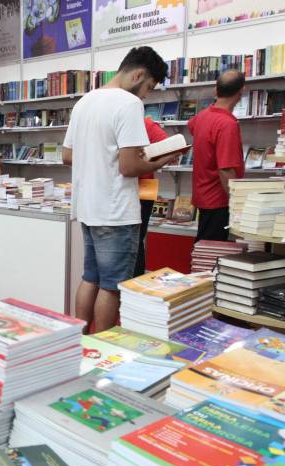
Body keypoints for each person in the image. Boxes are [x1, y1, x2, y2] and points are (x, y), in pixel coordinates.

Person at [62, 46, 180, 333]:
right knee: (113, 286)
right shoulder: (128, 104)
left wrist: (99, 159)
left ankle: (81, 343)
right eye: (148, 87)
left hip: (88, 208)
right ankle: (101, 348)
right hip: (116, 211)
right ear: (138, 74)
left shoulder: (85, 102)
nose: (145, 95)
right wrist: (163, 158)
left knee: (90, 277)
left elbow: (67, 156)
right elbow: (129, 166)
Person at [188, 70, 246, 242]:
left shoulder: (201, 117)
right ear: (241, 92)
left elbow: (192, 126)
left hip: (202, 196)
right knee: (211, 253)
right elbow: (226, 170)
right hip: (219, 200)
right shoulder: (227, 124)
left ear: (216, 90)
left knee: (203, 249)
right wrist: (237, 204)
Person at [134, 117, 168, 276]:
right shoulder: (146, 123)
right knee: (137, 240)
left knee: (135, 240)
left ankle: (134, 280)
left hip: (142, 187)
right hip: (144, 186)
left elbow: (169, 148)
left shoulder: (145, 123)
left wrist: (147, 161)